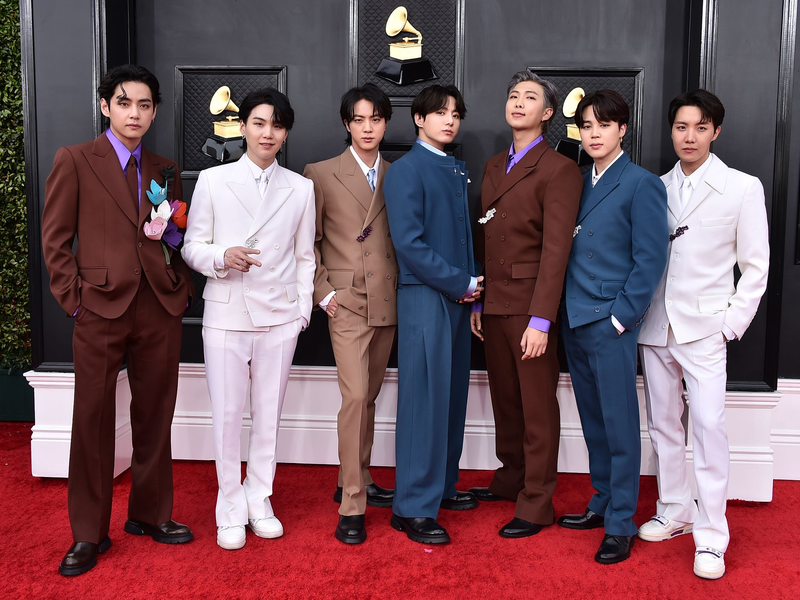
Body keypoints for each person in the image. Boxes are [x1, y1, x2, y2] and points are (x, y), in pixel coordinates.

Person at [42, 65, 195, 576]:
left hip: (158, 305)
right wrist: (74, 301)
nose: (136, 113)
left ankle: (150, 515)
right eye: (126, 103)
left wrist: (178, 287)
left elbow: (171, 237)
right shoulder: (76, 160)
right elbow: (56, 239)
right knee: (92, 419)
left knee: (156, 414)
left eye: (145, 105)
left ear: (154, 111)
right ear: (106, 105)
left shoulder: (163, 168)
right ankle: (88, 533)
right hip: (99, 306)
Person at [637, 90, 769, 580]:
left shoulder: (741, 187)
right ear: (671, 131)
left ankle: (712, 536)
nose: (688, 137)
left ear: (716, 131)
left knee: (709, 429)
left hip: (706, 328)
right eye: (680, 127)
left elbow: (756, 267)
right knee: (663, 426)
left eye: (699, 127)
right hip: (655, 325)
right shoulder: (654, 186)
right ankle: (675, 510)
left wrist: (730, 325)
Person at [181, 88, 315, 551]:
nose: (267, 133)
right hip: (226, 313)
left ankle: (260, 499)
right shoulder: (214, 181)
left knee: (268, 419)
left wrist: (300, 311)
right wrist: (222, 255)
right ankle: (230, 507)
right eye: (259, 123)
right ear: (242, 128)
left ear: (285, 133)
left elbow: (304, 257)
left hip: (279, 317)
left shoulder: (300, 188)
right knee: (226, 418)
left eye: (277, 125)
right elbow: (191, 246)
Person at [469, 71, 582, 538]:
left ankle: (536, 502)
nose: (518, 103)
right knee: (506, 401)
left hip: (532, 306)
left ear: (548, 113)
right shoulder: (495, 165)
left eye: (530, 97)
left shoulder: (560, 170)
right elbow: (484, 235)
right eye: (513, 95)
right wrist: (479, 301)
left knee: (537, 406)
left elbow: (557, 252)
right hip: (494, 303)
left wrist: (541, 319)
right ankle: (510, 477)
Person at [557, 90, 669, 564]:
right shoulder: (576, 180)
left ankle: (621, 521)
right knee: (593, 420)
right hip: (573, 318)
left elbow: (651, 259)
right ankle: (601, 502)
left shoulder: (641, 183)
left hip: (610, 321)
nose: (594, 133)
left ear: (623, 129)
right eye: (586, 126)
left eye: (604, 124)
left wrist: (624, 316)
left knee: (620, 424)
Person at [384, 84, 482, 544]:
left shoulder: (455, 167)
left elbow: (465, 239)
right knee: (424, 400)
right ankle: (411, 507)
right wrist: (461, 283)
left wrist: (473, 289)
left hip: (458, 298)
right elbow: (409, 244)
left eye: (456, 114)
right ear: (419, 119)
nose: (450, 120)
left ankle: (441, 486)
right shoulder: (406, 170)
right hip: (426, 296)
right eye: (440, 113)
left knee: (451, 395)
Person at [302, 84, 397, 544]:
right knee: (356, 397)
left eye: (375, 119)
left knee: (369, 397)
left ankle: (353, 475)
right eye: (358, 120)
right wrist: (324, 291)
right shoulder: (320, 173)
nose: (367, 127)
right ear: (346, 124)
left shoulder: (398, 173)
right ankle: (352, 503)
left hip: (388, 301)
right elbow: (308, 241)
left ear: (385, 123)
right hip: (346, 302)